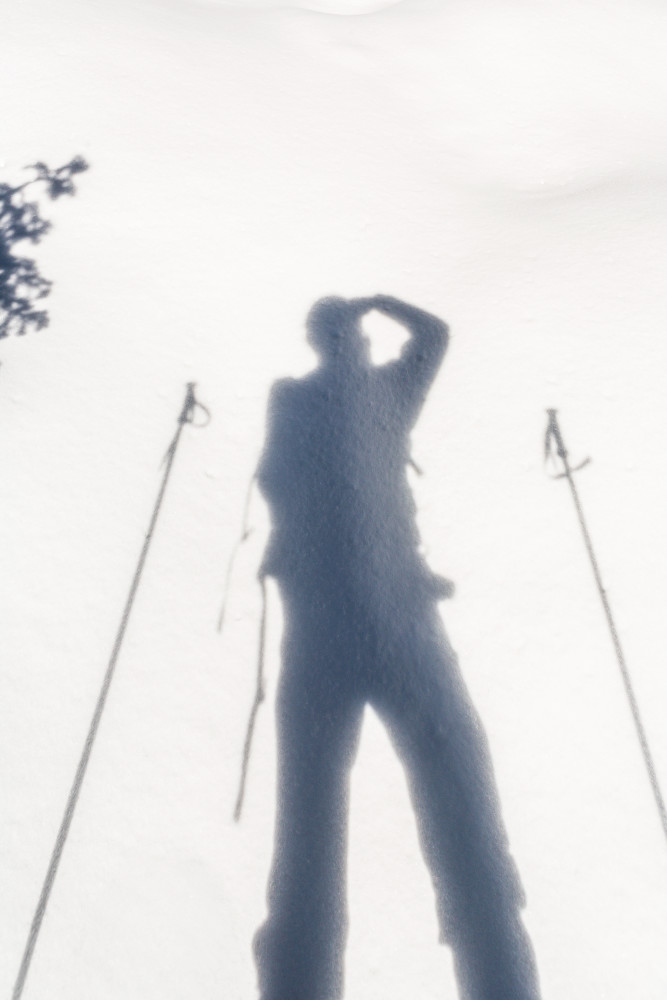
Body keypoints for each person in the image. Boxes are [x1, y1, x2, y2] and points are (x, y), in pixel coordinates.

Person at [253, 295, 542, 1000]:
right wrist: (375, 309)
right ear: (330, 341)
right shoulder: (322, 399)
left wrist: (379, 302)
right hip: (353, 623)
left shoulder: (381, 395)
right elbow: (282, 477)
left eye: (347, 329)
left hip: (377, 620)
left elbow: (436, 333)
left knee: (446, 811)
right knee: (327, 825)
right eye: (337, 331)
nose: (346, 340)